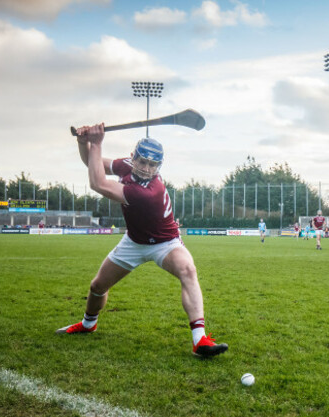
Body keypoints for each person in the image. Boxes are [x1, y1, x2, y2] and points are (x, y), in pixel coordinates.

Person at [56, 123, 228, 358]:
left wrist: (95, 143)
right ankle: (88, 324)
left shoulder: (149, 193)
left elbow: (97, 183)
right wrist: (83, 143)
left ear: (159, 166)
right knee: (97, 286)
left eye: (153, 164)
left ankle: (200, 340)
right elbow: (92, 164)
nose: (147, 168)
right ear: (133, 158)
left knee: (188, 270)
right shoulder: (125, 166)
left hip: (165, 243)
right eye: (143, 162)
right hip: (134, 242)